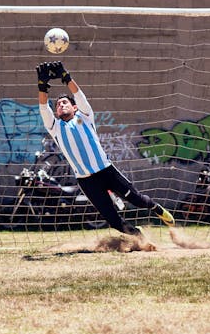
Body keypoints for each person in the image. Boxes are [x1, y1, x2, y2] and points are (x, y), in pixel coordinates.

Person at [36, 60, 175, 237]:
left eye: (65, 102)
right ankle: (140, 239)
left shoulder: (84, 117)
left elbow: (79, 95)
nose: (61, 105)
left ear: (74, 107)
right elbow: (43, 107)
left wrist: (66, 77)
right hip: (86, 181)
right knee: (113, 220)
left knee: (137, 200)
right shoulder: (55, 127)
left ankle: (156, 208)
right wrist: (42, 86)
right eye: (58, 104)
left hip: (106, 172)